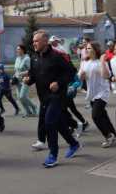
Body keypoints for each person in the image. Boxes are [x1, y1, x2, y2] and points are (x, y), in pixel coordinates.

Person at [24, 30, 81, 168]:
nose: (34, 43)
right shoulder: (34, 57)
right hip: (43, 98)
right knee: (58, 123)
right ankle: (74, 144)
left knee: (49, 122)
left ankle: (53, 155)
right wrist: (28, 80)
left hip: (58, 96)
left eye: (36, 41)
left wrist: (59, 83)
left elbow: (71, 72)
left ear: (45, 41)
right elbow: (34, 75)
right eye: (33, 41)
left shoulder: (57, 56)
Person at [79, 41, 116, 147]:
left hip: (102, 93)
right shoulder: (84, 62)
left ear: (95, 50)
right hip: (92, 93)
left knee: (95, 116)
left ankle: (108, 136)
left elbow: (106, 76)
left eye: (89, 48)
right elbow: (81, 77)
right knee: (103, 115)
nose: (86, 50)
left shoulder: (101, 62)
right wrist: (81, 75)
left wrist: (102, 62)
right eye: (86, 48)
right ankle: (114, 134)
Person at [13, 44, 38, 117]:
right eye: (17, 49)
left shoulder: (27, 59)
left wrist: (20, 73)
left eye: (18, 49)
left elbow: (30, 70)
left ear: (23, 50)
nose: (17, 50)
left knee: (22, 96)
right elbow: (16, 69)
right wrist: (15, 75)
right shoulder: (17, 58)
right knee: (20, 98)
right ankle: (28, 112)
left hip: (25, 80)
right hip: (17, 80)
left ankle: (34, 107)